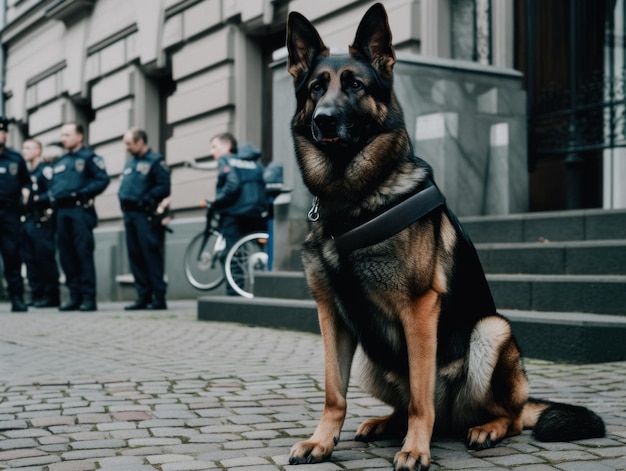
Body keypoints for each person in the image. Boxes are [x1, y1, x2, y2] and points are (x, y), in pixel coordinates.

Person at [47, 122, 110, 312]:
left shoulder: (90, 157)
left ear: (79, 136)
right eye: (62, 135)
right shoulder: (61, 161)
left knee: (83, 253)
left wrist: (82, 194)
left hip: (79, 210)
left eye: (67, 135)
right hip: (61, 212)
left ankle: (88, 298)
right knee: (66, 255)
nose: (63, 139)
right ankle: (74, 296)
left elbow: (102, 179)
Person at [118, 127, 171, 310]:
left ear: (141, 141)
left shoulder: (156, 161)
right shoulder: (130, 163)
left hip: (145, 215)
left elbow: (164, 186)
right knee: (135, 256)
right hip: (130, 214)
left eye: (129, 143)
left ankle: (158, 297)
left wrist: (145, 199)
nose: (127, 147)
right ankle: (143, 296)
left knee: (151, 255)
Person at [210, 132, 267, 295]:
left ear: (227, 146)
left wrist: (217, 201)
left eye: (214, 147)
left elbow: (232, 185)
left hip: (233, 213)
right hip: (256, 213)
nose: (211, 151)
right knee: (262, 250)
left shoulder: (226, 160)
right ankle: (264, 288)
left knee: (232, 254)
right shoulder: (254, 164)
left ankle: (236, 294)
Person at [21, 138, 60, 308]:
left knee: (44, 257)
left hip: (42, 219)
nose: (24, 151)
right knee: (30, 258)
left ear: (38, 151)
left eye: (28, 148)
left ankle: (50, 296)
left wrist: (37, 199)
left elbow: (54, 191)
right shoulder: (27, 174)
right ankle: (36, 294)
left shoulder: (45, 170)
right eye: (23, 148)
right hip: (27, 220)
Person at [0, 117, 30, 312]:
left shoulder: (15, 158)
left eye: (1, 131)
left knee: (12, 255)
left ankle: (17, 298)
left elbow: (26, 181)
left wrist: (26, 191)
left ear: (6, 134)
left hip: (9, 212)